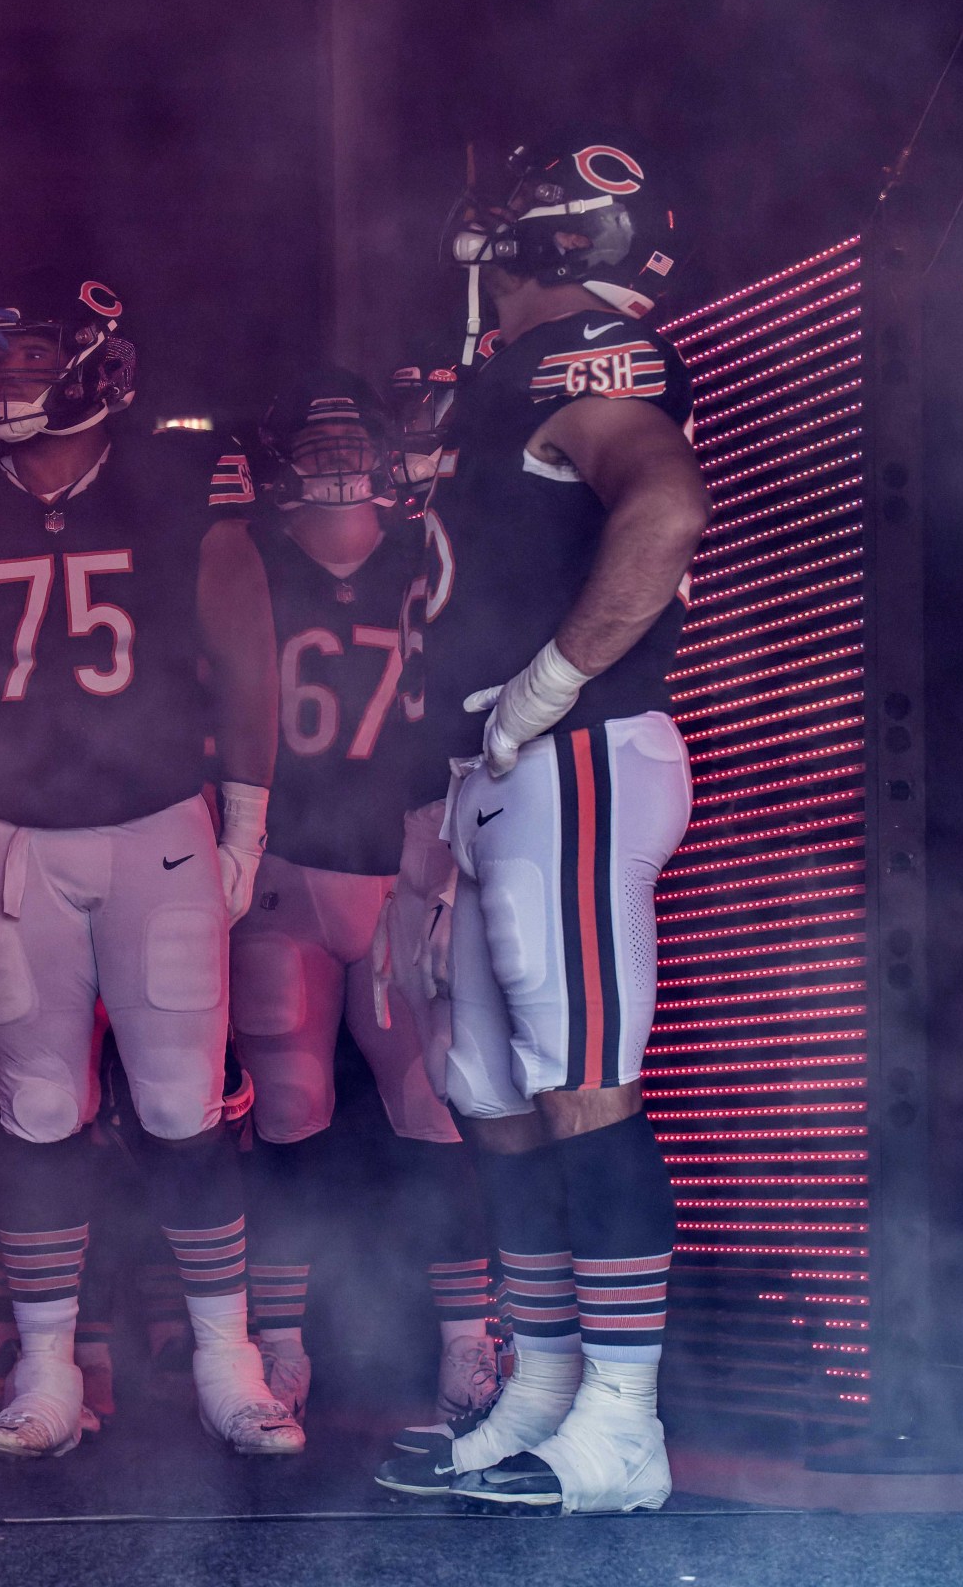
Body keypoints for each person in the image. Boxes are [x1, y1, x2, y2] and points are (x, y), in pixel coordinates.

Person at [0, 268, 300, 1458]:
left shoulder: (182, 477)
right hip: (8, 828)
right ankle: (46, 1373)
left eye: (32, 357)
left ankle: (229, 1366)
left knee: (182, 1103)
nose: (10, 380)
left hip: (154, 822)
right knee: (34, 1110)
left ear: (93, 362)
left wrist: (244, 824)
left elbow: (246, 659)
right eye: (2, 359)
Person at [371, 133, 707, 1514]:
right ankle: (551, 1391)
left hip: (569, 760)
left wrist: (552, 687)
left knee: (581, 1090)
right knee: (494, 1102)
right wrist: (425, 839)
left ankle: (625, 1425)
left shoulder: (584, 362)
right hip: (497, 771)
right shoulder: (508, 381)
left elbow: (667, 506)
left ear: (537, 241)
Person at [227, 370, 496, 1428]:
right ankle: (281, 1351)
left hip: (403, 859)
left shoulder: (429, 560)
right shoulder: (245, 563)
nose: (338, 460)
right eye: (317, 440)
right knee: (289, 1109)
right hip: (287, 863)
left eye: (355, 440)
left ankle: (468, 1348)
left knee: (433, 1107)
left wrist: (438, 861)